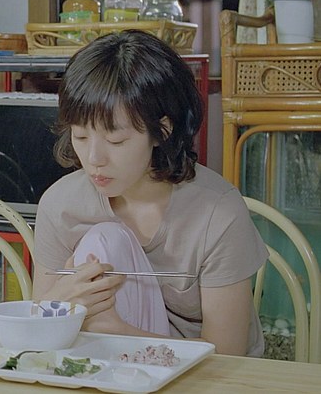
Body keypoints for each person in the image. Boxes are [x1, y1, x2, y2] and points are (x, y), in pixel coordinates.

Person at [32, 30, 268, 356]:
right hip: (103, 369)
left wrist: (118, 333)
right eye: (81, 136)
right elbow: (37, 330)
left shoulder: (218, 213)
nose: (94, 159)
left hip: (204, 374)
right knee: (104, 239)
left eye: (116, 141)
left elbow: (227, 354)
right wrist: (57, 303)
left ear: (162, 131)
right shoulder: (61, 205)